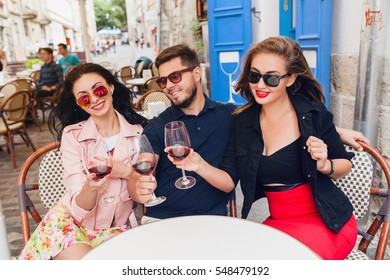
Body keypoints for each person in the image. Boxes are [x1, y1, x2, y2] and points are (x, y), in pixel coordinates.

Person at [128, 44, 368, 226]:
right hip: (162, 221)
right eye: (163, 80)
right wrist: (135, 185)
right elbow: (142, 166)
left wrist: (335, 132)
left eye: (175, 76)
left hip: (213, 222)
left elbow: (277, 119)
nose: (169, 85)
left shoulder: (231, 117)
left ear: (197, 73)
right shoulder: (159, 126)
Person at [170, 37, 358, 260]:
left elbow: (344, 164)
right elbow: (230, 180)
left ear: (290, 79)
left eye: (271, 78)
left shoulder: (313, 114)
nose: (260, 85)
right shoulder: (242, 122)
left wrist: (326, 165)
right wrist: (198, 165)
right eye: (254, 75)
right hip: (279, 224)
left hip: (326, 222)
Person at [19, 63, 147, 260]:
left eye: (99, 89)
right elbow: (80, 208)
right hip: (71, 224)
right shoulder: (72, 136)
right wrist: (91, 187)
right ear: (79, 103)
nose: (94, 99)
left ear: (111, 87)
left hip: (119, 229)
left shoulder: (139, 131)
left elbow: (146, 193)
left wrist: (128, 173)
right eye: (85, 97)